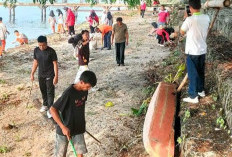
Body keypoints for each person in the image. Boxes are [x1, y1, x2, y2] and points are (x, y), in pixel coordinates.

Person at [50, 70, 97, 157]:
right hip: (64, 129)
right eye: (87, 86)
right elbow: (53, 109)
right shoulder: (68, 93)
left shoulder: (84, 91)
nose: (88, 89)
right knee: (60, 155)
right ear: (81, 82)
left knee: (80, 153)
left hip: (78, 127)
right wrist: (63, 127)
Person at [180, 0, 210, 103]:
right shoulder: (206, 18)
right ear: (200, 6)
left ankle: (193, 96)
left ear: (190, 8)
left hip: (192, 51)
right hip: (202, 49)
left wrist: (185, 18)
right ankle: (201, 90)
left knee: (193, 73)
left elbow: (182, 31)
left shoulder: (189, 20)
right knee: (201, 71)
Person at [30, 36, 58, 118]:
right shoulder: (36, 50)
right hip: (41, 74)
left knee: (50, 92)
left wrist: (56, 76)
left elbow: (55, 64)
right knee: (43, 90)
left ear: (46, 43)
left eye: (43, 45)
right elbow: (35, 62)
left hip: (50, 74)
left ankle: (50, 109)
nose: (41, 47)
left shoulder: (51, 51)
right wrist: (32, 73)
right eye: (40, 45)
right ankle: (45, 105)